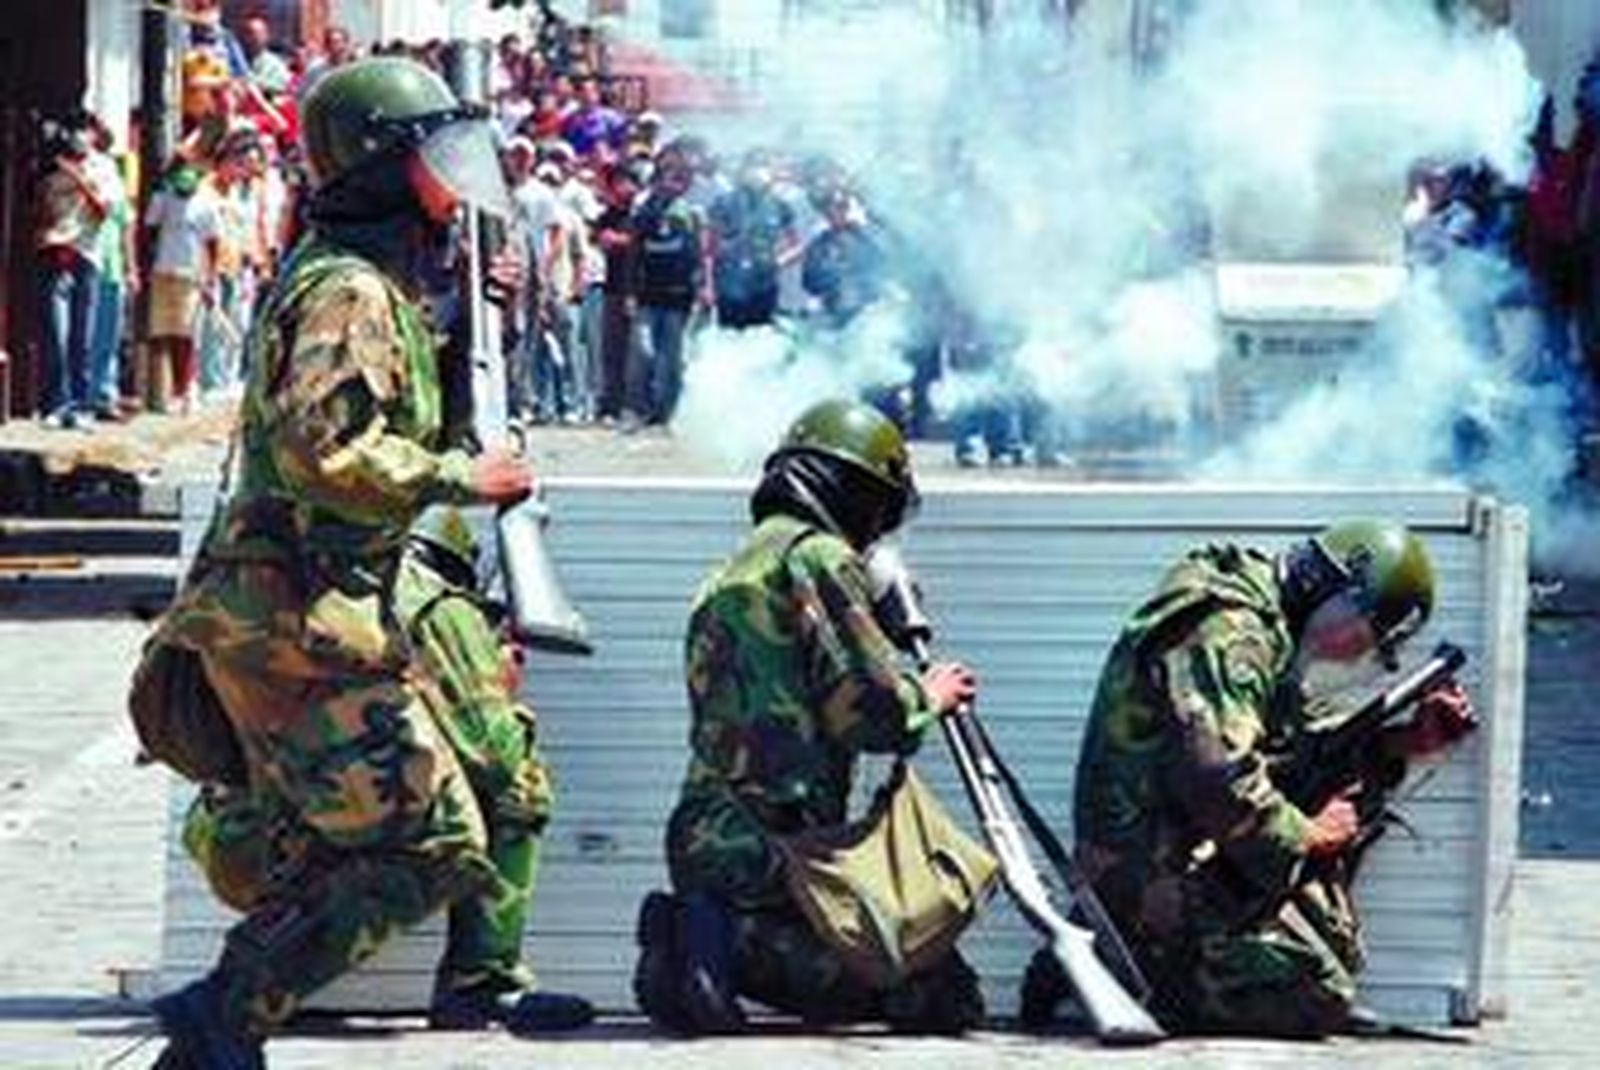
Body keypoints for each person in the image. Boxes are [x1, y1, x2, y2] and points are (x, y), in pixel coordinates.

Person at [143, 58, 589, 1068]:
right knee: (425, 841)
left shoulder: (361, 275)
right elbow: (325, 450)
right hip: (293, 614)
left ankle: (218, 1033)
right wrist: (460, 476)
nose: (455, 181)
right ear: (384, 170)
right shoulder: (349, 288)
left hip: (304, 611)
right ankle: (227, 1007)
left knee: (430, 825)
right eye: (435, 159)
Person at [635, 399, 986, 1035]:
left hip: (710, 837)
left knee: (894, 972)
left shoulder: (734, 568)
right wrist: (928, 694)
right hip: (776, 850)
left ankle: (692, 940)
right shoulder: (819, 559)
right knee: (937, 993)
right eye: (879, 506)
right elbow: (871, 714)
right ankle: (722, 942)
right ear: (852, 489)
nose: (878, 530)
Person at [1049, 520, 1476, 1037]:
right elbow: (1216, 776)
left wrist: (1409, 740)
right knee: (1318, 993)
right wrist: (1310, 835)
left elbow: (1298, 737)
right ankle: (1120, 963)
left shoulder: (1267, 622)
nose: (1352, 655)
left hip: (1184, 849)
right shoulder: (1231, 630)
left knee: (1335, 945)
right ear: (1335, 592)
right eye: (1364, 637)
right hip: (1140, 868)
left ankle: (1137, 954)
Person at [34, 113, 113, 429]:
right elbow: (38, 207)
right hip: (53, 252)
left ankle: (82, 406)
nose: (79, 137)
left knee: (83, 336)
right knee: (56, 333)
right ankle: (56, 404)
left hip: (85, 255)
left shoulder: (103, 168)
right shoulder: (48, 166)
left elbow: (104, 210)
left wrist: (78, 178)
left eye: (85, 131)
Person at [707, 149, 800, 329]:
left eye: (763, 165)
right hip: (729, 285)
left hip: (764, 285)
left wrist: (778, 262)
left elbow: (796, 245)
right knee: (729, 340)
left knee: (761, 339)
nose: (758, 171)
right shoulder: (724, 202)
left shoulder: (780, 205)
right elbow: (710, 246)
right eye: (753, 165)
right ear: (743, 170)